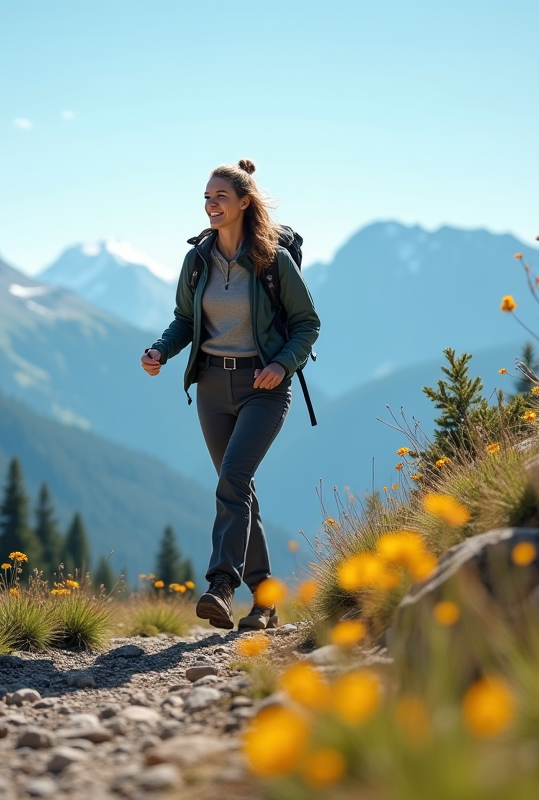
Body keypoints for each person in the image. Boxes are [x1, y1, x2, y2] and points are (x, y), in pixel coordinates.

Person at [140, 158, 320, 630]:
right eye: (206, 197)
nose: (211, 204)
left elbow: (308, 324)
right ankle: (266, 602)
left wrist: (282, 364)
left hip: (265, 387)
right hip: (212, 387)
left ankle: (221, 584)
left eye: (220, 196)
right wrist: (161, 350)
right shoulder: (196, 261)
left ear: (244, 202)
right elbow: (184, 320)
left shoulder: (272, 262)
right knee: (240, 489)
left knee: (233, 480)